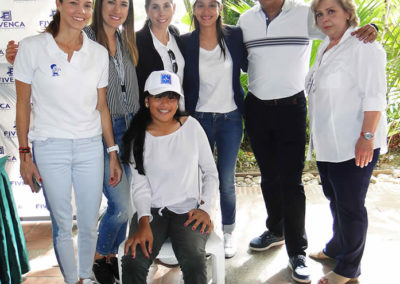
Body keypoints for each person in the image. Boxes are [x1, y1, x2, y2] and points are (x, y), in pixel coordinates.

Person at [237, 0, 378, 282]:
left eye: (330, 12)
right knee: (268, 176)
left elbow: (343, 30)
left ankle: (297, 251)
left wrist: (372, 27)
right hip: (257, 107)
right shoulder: (246, 20)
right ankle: (275, 230)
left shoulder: (305, 14)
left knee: (291, 181)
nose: (325, 17)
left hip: (291, 107)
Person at [6, 1, 140, 283]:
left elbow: (102, 106)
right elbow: (22, 104)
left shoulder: (98, 52)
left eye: (86, 5)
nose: (81, 10)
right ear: (58, 4)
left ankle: (86, 276)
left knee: (89, 224)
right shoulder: (32, 47)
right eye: (73, 3)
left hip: (91, 146)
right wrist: (24, 155)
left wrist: (112, 153)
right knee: (64, 224)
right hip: (49, 146)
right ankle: (73, 280)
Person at [305, 0, 387, 283]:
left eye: (332, 11)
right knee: (335, 200)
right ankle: (337, 247)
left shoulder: (364, 46)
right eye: (319, 14)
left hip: (355, 144)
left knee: (351, 206)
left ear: (348, 13)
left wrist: (367, 138)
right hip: (328, 145)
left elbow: (375, 96)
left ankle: (348, 268)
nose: (325, 18)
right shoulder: (325, 48)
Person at [120, 70, 218, 284]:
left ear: (178, 100)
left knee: (193, 257)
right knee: (133, 260)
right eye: (158, 96)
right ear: (147, 101)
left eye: (171, 96)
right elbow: (140, 185)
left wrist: (205, 209)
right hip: (152, 212)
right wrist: (143, 221)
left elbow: (210, 173)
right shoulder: (138, 135)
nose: (165, 103)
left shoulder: (191, 127)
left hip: (188, 210)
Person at [181, 0, 247, 258]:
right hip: (199, 120)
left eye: (212, 5)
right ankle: (202, 230)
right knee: (200, 180)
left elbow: (255, 60)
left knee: (226, 179)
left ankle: (228, 232)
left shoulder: (235, 35)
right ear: (193, 10)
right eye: (200, 5)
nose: (206, 11)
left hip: (230, 119)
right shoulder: (185, 41)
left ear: (220, 8)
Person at [135, 0, 185, 107]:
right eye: (155, 7)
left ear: (174, 8)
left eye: (166, 6)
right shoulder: (136, 42)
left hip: (182, 111)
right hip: (157, 116)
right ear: (146, 10)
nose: (161, 13)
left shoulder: (177, 36)